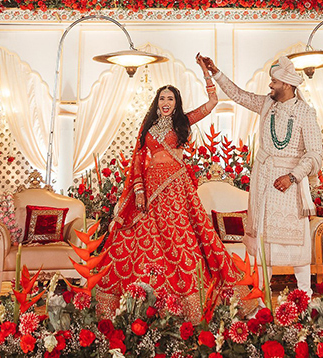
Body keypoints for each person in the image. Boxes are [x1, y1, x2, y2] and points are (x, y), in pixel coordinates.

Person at [95, 83, 243, 320]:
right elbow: (137, 159)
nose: (166, 103)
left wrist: (207, 76)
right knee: (145, 237)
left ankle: (190, 302)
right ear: (157, 102)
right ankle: (137, 300)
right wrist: (139, 189)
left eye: (170, 99)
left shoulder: (183, 122)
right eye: (162, 98)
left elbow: (212, 104)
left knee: (178, 236)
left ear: (176, 103)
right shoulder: (148, 126)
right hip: (151, 186)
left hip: (176, 185)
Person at [196, 53, 322, 294]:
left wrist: (292, 176)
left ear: (286, 84)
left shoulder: (306, 113)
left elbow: (315, 154)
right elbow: (238, 96)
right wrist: (215, 72)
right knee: (266, 245)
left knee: (298, 245)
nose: (270, 85)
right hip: (265, 183)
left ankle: (305, 298)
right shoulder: (267, 105)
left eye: (273, 82)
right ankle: (262, 300)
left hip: (292, 185)